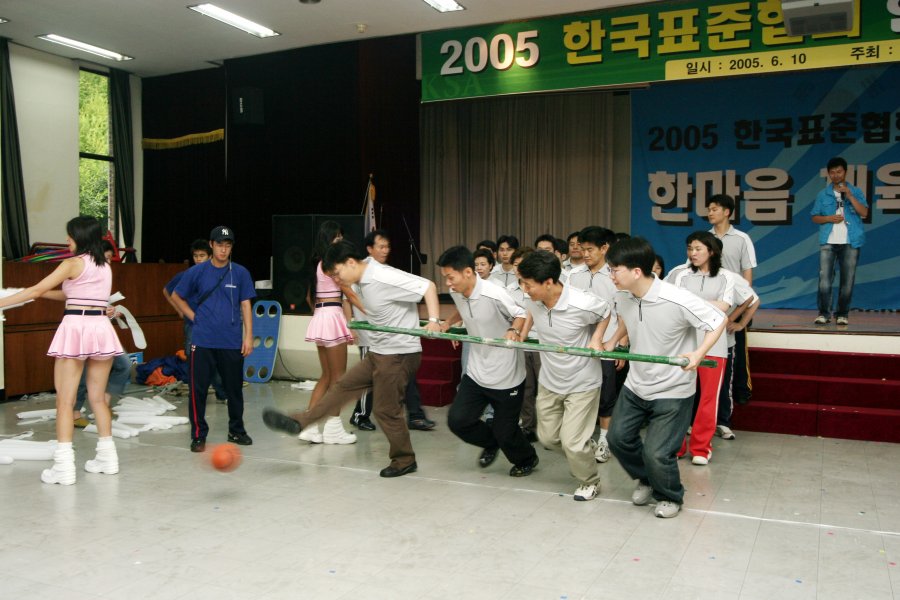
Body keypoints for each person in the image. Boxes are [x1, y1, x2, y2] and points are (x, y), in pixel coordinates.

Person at [263, 240, 442, 478]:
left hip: (399, 353)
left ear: (350, 263)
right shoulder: (359, 277)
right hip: (379, 351)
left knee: (385, 410)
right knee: (341, 387)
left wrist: (434, 320)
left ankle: (404, 459)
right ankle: (300, 422)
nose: (336, 280)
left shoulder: (382, 277)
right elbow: (358, 302)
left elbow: (428, 286)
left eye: (337, 274)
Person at [605, 238, 726, 518]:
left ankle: (669, 495)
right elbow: (627, 316)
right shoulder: (622, 295)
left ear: (636, 271)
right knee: (617, 439)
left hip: (673, 388)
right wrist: (613, 340)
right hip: (637, 384)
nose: (610, 276)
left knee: (657, 452)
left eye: (614, 270)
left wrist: (698, 353)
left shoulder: (676, 298)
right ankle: (647, 478)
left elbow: (717, 320)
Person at [0, 216, 123, 484]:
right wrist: (41, 293)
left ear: (79, 236)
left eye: (69, 236)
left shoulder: (72, 263)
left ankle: (63, 468)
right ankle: (107, 458)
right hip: (100, 327)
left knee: (64, 402)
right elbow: (73, 294)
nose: (67, 241)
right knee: (98, 398)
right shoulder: (103, 265)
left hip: (76, 327)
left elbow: (36, 288)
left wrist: (5, 300)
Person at [438, 246, 539, 476]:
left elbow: (521, 313)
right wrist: (448, 322)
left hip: (506, 375)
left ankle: (527, 458)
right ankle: (490, 442)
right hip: (476, 371)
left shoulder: (494, 293)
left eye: (450, 277)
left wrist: (513, 330)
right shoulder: (457, 291)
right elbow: (462, 309)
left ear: (466, 272)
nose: (448, 284)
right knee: (458, 420)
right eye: (445, 278)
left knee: (506, 432)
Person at [518, 250, 611, 501]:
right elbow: (528, 311)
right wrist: (522, 332)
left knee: (571, 442)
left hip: (582, 381)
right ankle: (585, 449)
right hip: (550, 379)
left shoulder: (582, 302)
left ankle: (589, 481)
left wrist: (596, 339)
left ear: (548, 282)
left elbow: (605, 312)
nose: (524, 289)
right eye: (521, 283)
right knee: (547, 437)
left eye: (528, 284)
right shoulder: (533, 299)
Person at [170, 226, 255, 453]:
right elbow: (176, 295)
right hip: (203, 340)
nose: (223, 249)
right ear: (211, 245)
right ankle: (198, 435)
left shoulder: (240, 273)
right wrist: (193, 316)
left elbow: (246, 304)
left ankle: (236, 430)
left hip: (231, 340)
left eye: (227, 245)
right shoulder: (197, 272)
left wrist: (248, 336)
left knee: (233, 389)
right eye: (219, 244)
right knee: (198, 390)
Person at [664, 232, 733, 465]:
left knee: (708, 400)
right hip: (683, 344)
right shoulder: (680, 275)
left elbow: (723, 307)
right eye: (689, 249)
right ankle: (677, 446)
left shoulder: (727, 277)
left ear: (711, 251)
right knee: (679, 397)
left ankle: (702, 448)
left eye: (697, 249)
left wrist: (689, 302)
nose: (692, 253)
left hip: (714, 345)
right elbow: (670, 303)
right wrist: (700, 304)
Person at [300, 221, 360, 445]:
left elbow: (309, 298)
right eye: (336, 238)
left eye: (341, 238)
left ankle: (309, 426)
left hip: (321, 316)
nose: (340, 241)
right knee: (338, 379)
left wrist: (322, 315)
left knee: (326, 376)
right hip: (332, 316)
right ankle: (333, 429)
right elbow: (349, 295)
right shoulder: (332, 263)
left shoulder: (317, 263)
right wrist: (363, 315)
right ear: (328, 239)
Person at [566, 226, 622, 464]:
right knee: (580, 393)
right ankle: (584, 438)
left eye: (590, 249)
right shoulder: (573, 275)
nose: (585, 254)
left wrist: (620, 343)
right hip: (579, 345)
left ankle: (605, 441)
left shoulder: (615, 275)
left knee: (607, 396)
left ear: (605, 248)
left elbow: (623, 311)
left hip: (608, 344)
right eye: (582, 249)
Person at [73, 241, 133, 427]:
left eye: (110, 259)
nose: (108, 262)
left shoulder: (105, 274)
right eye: (105, 258)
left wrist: (110, 310)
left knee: (124, 364)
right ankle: (75, 412)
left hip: (103, 332)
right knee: (82, 373)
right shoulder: (83, 272)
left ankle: (104, 402)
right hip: (84, 330)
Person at [707, 193, 757, 406]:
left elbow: (747, 273)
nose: (710, 213)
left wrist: (743, 306)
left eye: (714, 209)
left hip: (736, 304)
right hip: (711, 304)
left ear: (727, 212)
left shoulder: (742, 238)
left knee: (736, 352)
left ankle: (740, 392)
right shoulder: (704, 239)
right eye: (709, 209)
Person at [163, 238, 227, 403]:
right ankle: (196, 394)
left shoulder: (218, 275)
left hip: (214, 325)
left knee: (216, 359)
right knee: (194, 360)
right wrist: (178, 310)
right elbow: (167, 290)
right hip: (193, 325)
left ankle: (222, 392)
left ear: (209, 256)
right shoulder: (186, 275)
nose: (198, 259)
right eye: (196, 256)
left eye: (202, 255)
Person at [811, 156, 868, 326]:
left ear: (845, 172)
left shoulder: (855, 191)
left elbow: (864, 212)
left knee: (847, 279)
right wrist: (828, 218)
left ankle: (842, 314)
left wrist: (850, 196)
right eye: (832, 172)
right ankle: (824, 313)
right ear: (829, 174)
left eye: (839, 171)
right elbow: (814, 217)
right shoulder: (823, 194)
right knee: (825, 279)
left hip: (851, 241)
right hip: (828, 240)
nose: (836, 175)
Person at [349, 229, 391, 432]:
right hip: (367, 332)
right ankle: (360, 415)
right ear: (370, 248)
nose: (385, 250)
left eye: (387, 246)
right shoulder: (362, 269)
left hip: (380, 332)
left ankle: (362, 413)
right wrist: (351, 325)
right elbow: (347, 298)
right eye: (381, 247)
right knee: (370, 376)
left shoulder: (383, 269)